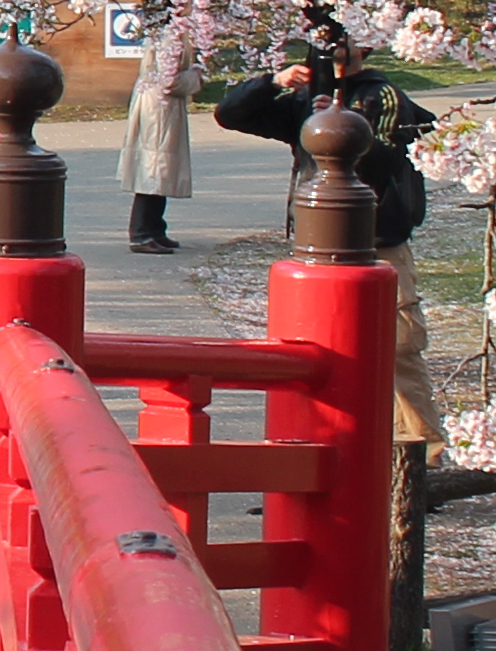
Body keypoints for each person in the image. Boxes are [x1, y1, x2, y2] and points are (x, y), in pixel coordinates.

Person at [213, 41, 442, 450]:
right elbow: (230, 115)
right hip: (318, 242)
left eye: (346, 39)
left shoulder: (382, 94)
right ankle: (334, 444)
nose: (334, 46)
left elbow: (383, 161)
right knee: (320, 347)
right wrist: (272, 82)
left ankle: (423, 452)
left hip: (376, 239)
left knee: (399, 346)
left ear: (366, 45)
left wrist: (339, 126)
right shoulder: (305, 96)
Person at [121, 26, 199, 254]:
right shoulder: (169, 34)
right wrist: (195, 75)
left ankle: (155, 228)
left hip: (159, 106)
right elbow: (169, 80)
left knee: (160, 167)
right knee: (154, 167)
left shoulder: (168, 30)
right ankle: (142, 232)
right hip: (159, 109)